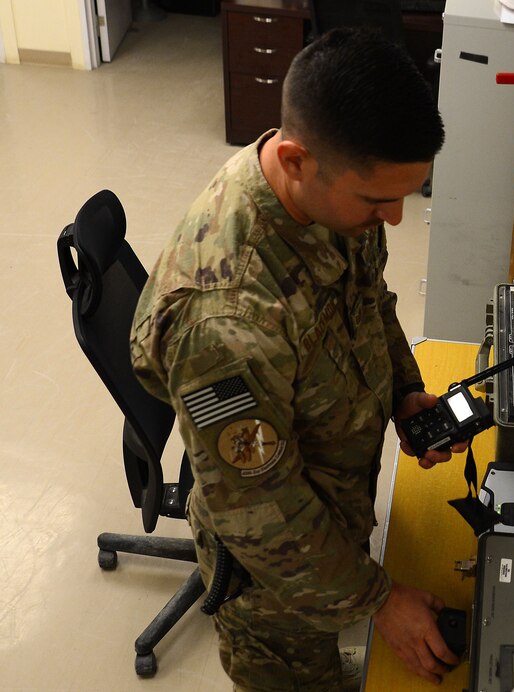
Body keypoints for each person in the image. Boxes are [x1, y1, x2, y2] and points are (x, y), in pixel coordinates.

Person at [131, 28, 463, 690]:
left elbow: (368, 299)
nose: (396, 219)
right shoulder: (225, 321)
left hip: (326, 497)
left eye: (405, 196)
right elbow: (261, 510)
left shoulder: (328, 204)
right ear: (295, 158)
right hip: (273, 577)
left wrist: (403, 389)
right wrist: (377, 601)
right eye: (378, 201)